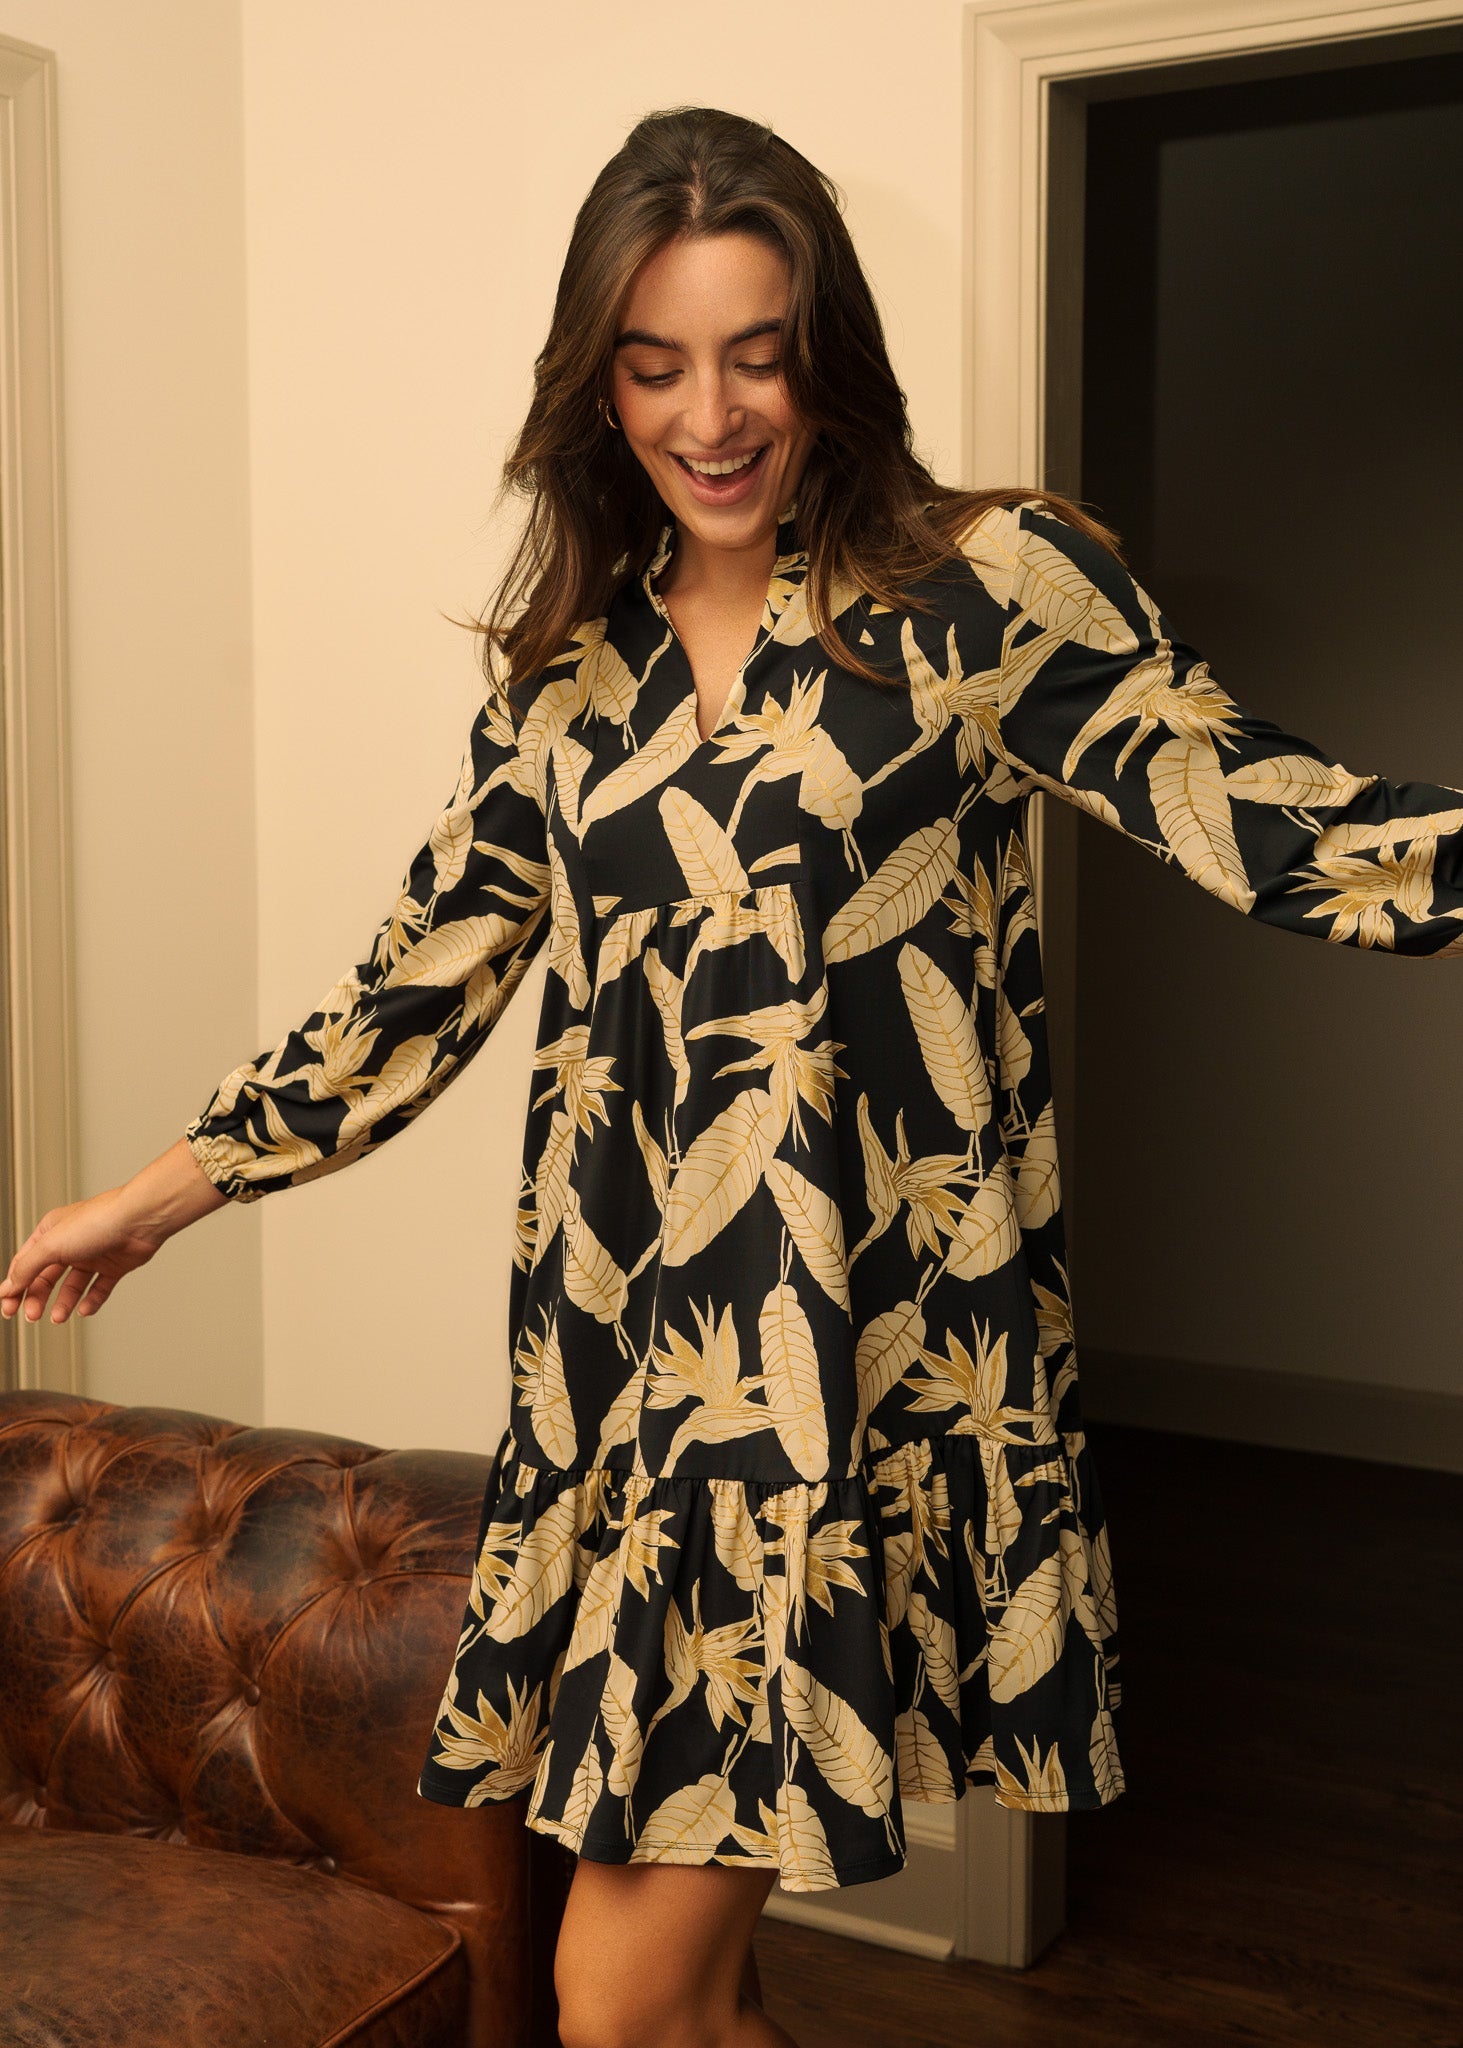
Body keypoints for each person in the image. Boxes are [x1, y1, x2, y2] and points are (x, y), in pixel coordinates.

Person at [5, 102, 1463, 2048]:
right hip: (622, 1396)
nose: (711, 416)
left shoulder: (984, 589)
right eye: (656, 363)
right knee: (678, 1999)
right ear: (596, 384)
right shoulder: (567, 677)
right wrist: (155, 1196)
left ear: (825, 353)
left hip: (850, 1378)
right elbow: (413, 990)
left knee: (619, 2000)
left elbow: (1267, 814)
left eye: (757, 355)